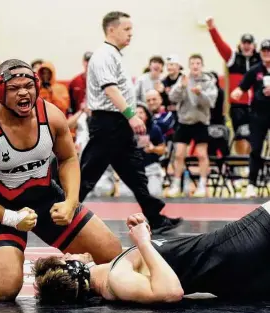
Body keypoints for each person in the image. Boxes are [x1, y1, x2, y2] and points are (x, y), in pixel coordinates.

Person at [0, 59, 122, 302]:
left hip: (46, 199)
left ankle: (65, 265)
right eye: (14, 88)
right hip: (3, 209)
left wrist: (71, 202)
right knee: (3, 291)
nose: (23, 92)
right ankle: (5, 259)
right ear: (1, 92)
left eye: (28, 86)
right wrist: (10, 218)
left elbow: (67, 159)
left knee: (112, 253)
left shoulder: (51, 116)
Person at [33, 201, 270, 304]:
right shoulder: (115, 280)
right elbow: (170, 291)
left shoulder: (115, 274)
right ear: (73, 268)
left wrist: (145, 236)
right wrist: (144, 241)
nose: (68, 253)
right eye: (65, 258)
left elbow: (163, 265)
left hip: (234, 264)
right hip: (238, 246)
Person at [79, 11, 180, 233]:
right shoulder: (104, 55)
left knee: (134, 170)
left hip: (117, 123)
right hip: (108, 122)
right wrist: (131, 115)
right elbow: (110, 89)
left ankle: (154, 217)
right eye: (127, 29)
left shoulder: (114, 55)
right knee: (89, 170)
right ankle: (63, 213)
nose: (130, 34)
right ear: (111, 29)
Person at [206, 17, 261, 156]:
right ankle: (243, 166)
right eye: (244, 43)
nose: (247, 46)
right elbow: (220, 45)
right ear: (240, 45)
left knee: (255, 136)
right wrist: (212, 29)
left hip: (258, 105)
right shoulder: (232, 59)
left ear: (254, 45)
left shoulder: (261, 60)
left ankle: (252, 165)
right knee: (241, 135)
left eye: (249, 43)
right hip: (238, 106)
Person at [167, 54, 218, 198]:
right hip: (184, 122)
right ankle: (176, 184)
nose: (195, 66)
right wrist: (181, 88)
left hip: (201, 122)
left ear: (202, 65)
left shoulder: (208, 81)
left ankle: (202, 185)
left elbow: (211, 103)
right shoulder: (183, 79)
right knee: (178, 154)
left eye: (198, 63)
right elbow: (172, 98)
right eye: (193, 63)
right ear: (189, 66)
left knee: (202, 155)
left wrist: (200, 93)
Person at [231, 39, 270, 198]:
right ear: (260, 52)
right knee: (255, 149)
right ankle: (251, 184)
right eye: (264, 51)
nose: (267, 53)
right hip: (258, 115)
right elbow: (241, 88)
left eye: (269, 50)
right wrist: (237, 92)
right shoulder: (255, 70)